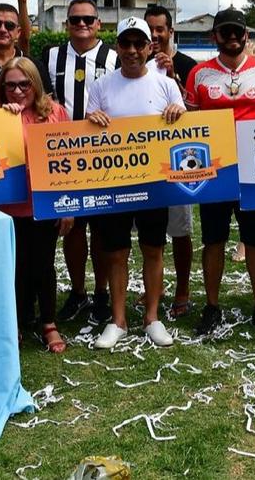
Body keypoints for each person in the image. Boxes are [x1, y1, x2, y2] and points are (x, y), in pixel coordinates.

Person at [85, 18, 187, 348]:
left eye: (139, 44)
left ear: (149, 47)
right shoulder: (101, 86)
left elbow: (183, 127)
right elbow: (87, 129)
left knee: (153, 250)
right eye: (126, 44)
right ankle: (118, 321)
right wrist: (91, 119)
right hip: (114, 183)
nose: (132, 50)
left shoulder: (166, 84)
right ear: (117, 47)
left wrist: (179, 112)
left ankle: (152, 317)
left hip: (154, 183)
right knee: (116, 253)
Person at [185, 7, 255, 337]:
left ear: (246, 35)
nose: (231, 37)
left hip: (253, 172)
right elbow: (191, 127)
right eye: (224, 31)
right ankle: (212, 306)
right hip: (215, 171)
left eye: (237, 31)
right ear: (214, 36)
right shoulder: (199, 74)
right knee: (213, 240)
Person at [43, 0, 119, 325]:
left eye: (88, 19)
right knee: (71, 228)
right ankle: (77, 292)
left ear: (99, 23)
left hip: (103, 156)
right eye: (76, 20)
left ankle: (101, 293)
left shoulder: (114, 57)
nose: (82, 24)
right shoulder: (51, 56)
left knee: (101, 231)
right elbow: (42, 101)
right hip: (65, 157)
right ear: (67, 24)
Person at [0, 57, 72, 352]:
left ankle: (48, 323)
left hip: (44, 205)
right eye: (10, 85)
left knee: (44, 264)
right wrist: (4, 120)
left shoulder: (56, 112)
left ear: (35, 84)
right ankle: (13, 322)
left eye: (24, 84)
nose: (17, 91)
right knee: (13, 267)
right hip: (6, 208)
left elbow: (68, 160)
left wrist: (68, 208)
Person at [145, 5, 197, 318]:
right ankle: (155, 288)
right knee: (149, 234)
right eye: (149, 30)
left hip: (178, 160)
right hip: (145, 162)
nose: (154, 36)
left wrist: (174, 75)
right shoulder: (135, 64)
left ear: (170, 31)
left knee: (180, 230)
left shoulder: (188, 65)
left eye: (159, 30)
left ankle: (182, 289)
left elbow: (195, 111)